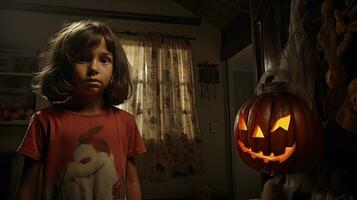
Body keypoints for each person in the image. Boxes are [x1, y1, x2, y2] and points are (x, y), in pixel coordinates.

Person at [16, 19, 146, 200]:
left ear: (115, 68)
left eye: (104, 60)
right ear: (65, 66)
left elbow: (131, 182)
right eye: (83, 58)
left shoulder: (126, 122)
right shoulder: (44, 121)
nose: (93, 68)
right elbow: (28, 187)